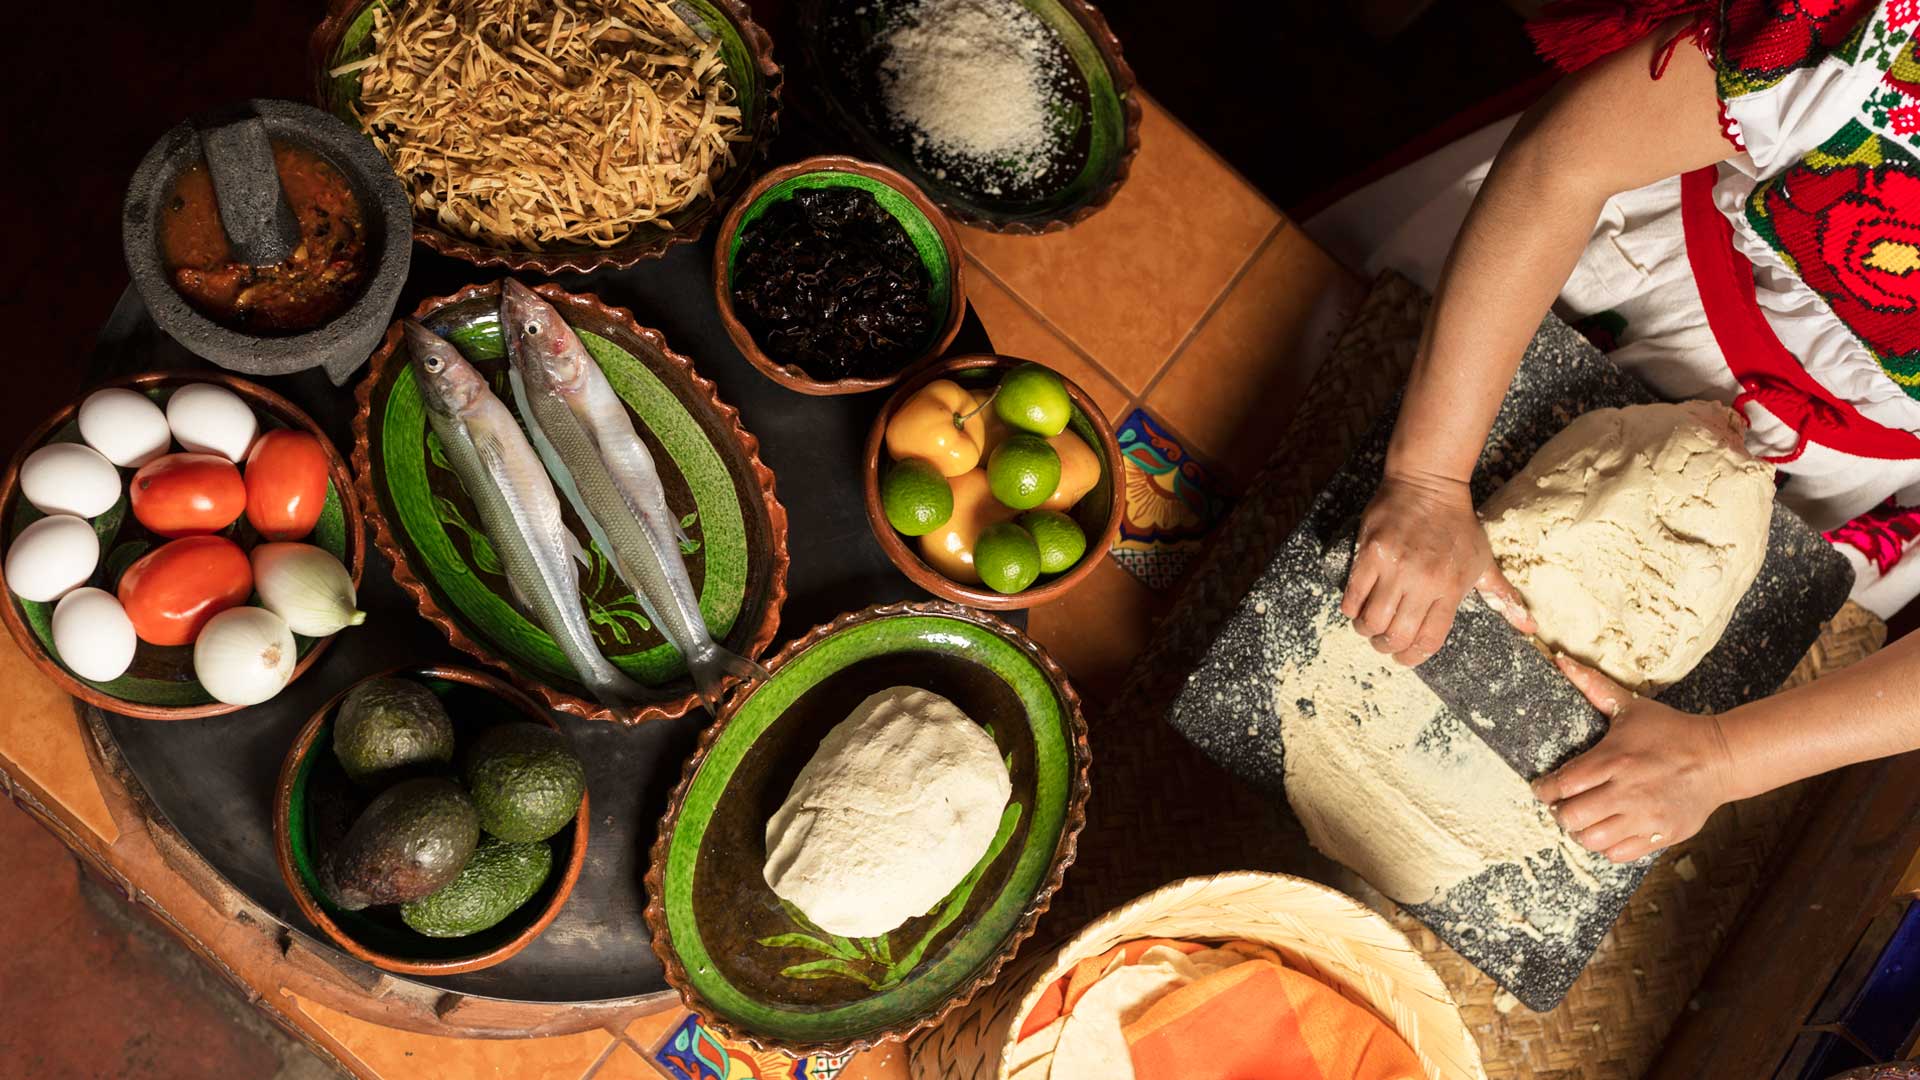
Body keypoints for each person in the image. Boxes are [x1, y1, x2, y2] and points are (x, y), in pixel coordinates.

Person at [1340, 0, 1920, 863]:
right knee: (1308, 401)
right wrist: (1428, 474)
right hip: (1612, 266)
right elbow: (1568, 162)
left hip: (1838, 478)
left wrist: (1722, 759)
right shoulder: (1889, 37)